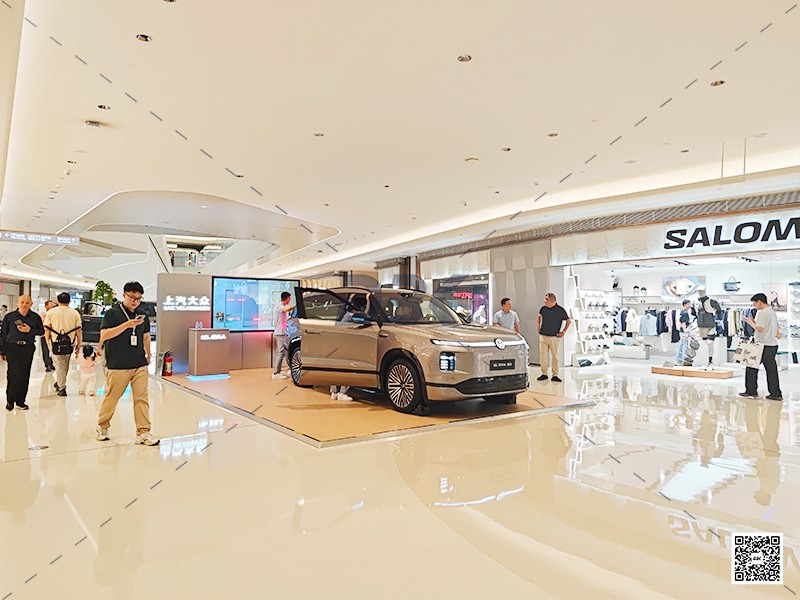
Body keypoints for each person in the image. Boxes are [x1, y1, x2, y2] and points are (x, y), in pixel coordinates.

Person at [96, 281, 159, 445]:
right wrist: (126, 325)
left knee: (141, 398)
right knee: (112, 397)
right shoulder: (112, 314)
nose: (135, 301)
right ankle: (102, 426)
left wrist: (148, 354)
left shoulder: (142, 314)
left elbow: (146, 336)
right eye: (132, 298)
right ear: (124, 295)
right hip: (118, 363)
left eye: (138, 298)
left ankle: (143, 432)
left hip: (139, 363)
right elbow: (104, 335)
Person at [0, 296, 45, 411]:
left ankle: (20, 401)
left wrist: (29, 330)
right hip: (12, 347)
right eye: (22, 302)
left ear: (31, 304)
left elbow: (41, 331)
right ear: (17, 303)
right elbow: (3, 334)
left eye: (27, 302)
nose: (24, 305)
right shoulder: (10, 317)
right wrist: (2, 351)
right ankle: (10, 400)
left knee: (24, 374)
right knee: (12, 374)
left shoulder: (35, 317)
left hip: (27, 347)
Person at [740, 293, 782, 401]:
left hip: (761, 345)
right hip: (772, 344)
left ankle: (751, 391)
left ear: (759, 302)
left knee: (751, 368)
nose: (754, 305)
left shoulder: (762, 312)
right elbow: (775, 327)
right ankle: (775, 393)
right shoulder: (772, 312)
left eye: (754, 303)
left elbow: (760, 328)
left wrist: (751, 323)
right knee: (771, 370)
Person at [44, 292, 82, 397]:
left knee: (60, 365)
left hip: (55, 342)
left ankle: (61, 387)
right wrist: (79, 343)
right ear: (69, 301)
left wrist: (47, 342)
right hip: (69, 343)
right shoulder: (75, 313)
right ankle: (60, 383)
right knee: (65, 364)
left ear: (58, 300)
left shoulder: (51, 312)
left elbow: (47, 329)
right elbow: (78, 330)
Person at [536, 293, 571, 383]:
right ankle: (544, 373)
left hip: (554, 337)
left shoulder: (560, 310)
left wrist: (563, 332)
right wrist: (538, 326)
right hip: (543, 335)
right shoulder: (543, 309)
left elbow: (568, 321)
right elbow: (539, 317)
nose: (544, 301)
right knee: (543, 355)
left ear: (552, 300)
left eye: (546, 299)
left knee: (555, 356)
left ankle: (555, 374)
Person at [272, 291, 295, 380]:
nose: (290, 300)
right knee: (280, 352)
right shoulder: (280, 306)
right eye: (289, 298)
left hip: (283, 332)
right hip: (280, 333)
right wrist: (297, 304)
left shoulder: (282, 306)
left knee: (284, 352)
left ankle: (279, 370)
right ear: (286, 298)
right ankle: (276, 373)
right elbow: (286, 309)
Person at [675, 299, 696, 365]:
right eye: (688, 304)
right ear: (685, 305)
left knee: (681, 345)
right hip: (684, 331)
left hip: (682, 331)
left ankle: (679, 359)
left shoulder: (682, 312)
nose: (689, 305)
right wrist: (685, 332)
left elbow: (681, 323)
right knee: (685, 345)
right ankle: (683, 359)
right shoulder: (685, 313)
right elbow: (683, 323)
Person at [40, 300, 56, 372]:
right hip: (44, 335)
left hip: (53, 335)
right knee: (45, 350)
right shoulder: (43, 315)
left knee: (53, 350)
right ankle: (47, 365)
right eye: (50, 304)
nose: (52, 305)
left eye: (53, 304)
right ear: (46, 306)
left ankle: (51, 363)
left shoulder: (55, 314)